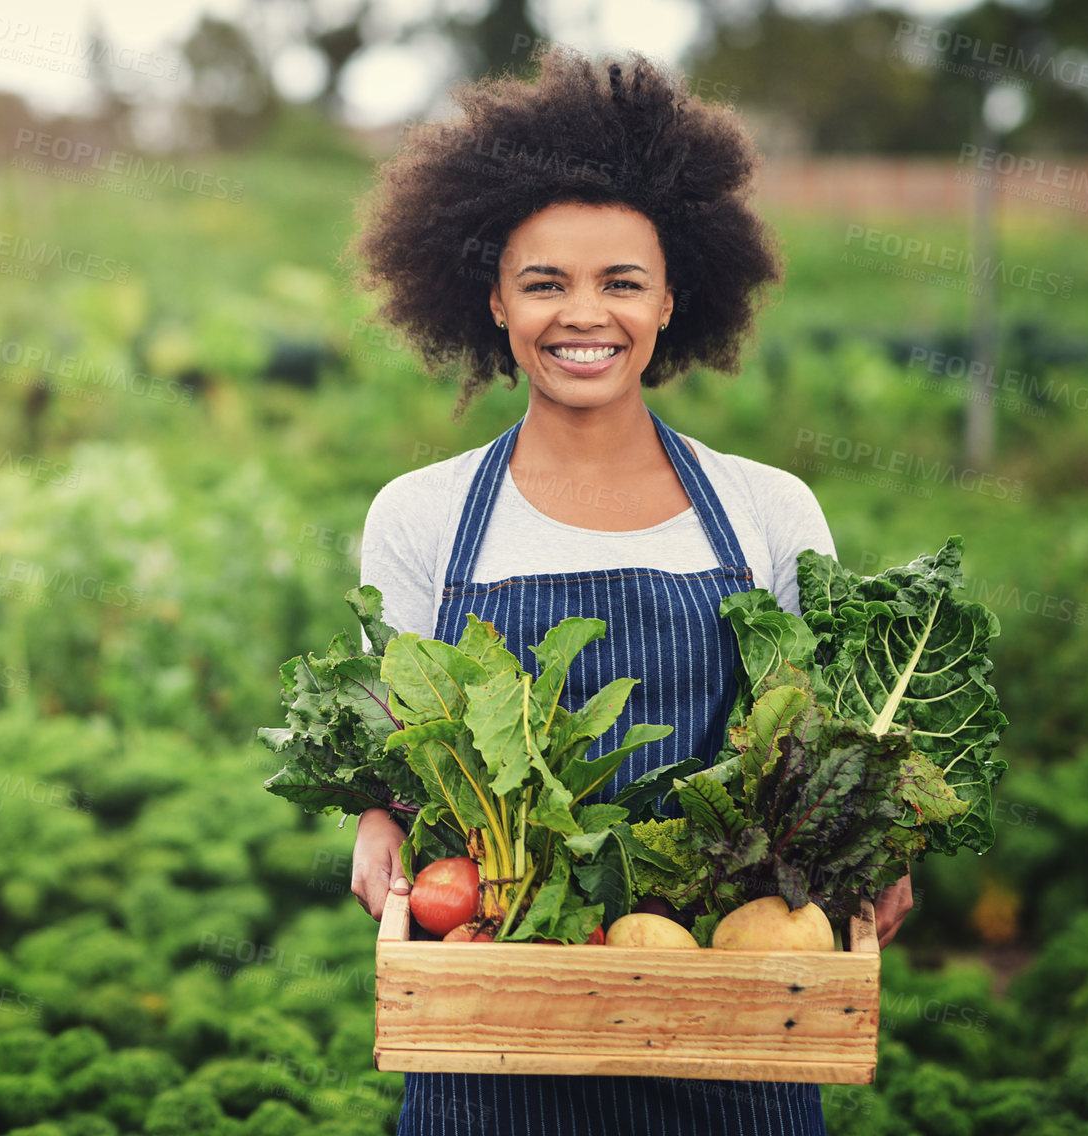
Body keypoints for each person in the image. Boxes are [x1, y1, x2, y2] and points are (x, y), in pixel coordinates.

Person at [342, 46, 912, 1135]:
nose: (581, 314)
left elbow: (824, 744)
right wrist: (377, 820)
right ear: (493, 303)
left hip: (735, 1014)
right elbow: (404, 748)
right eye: (543, 282)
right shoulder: (418, 515)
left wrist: (875, 857)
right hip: (497, 1007)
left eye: (620, 281)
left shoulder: (767, 509)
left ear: (672, 300)